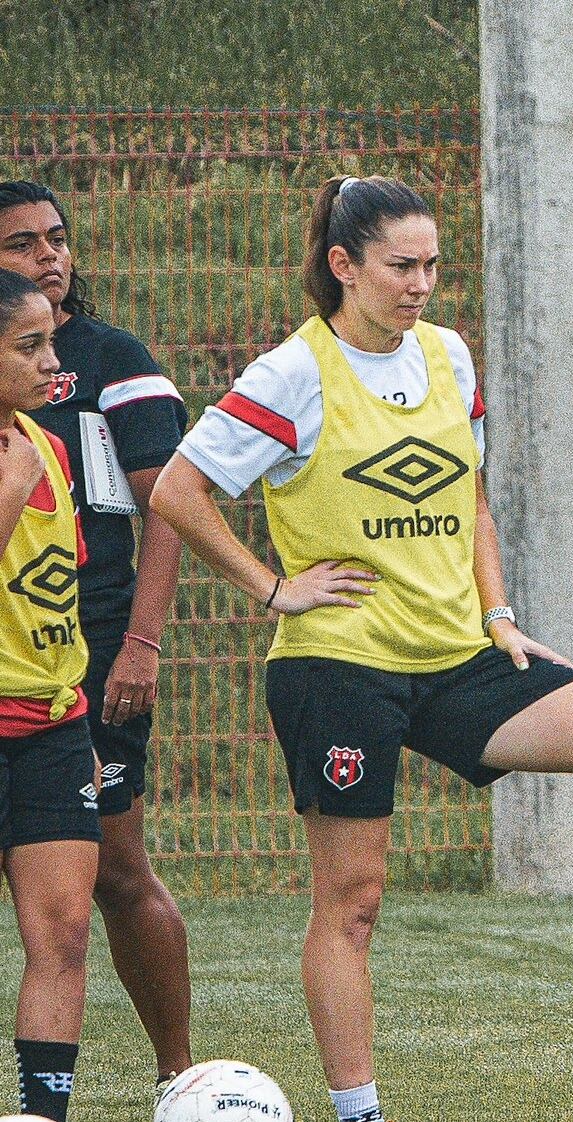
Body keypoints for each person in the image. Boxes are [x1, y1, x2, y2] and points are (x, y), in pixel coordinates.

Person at [149, 174, 573, 1122]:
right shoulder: (291, 374)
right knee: (355, 901)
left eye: (431, 263)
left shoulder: (448, 357)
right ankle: (360, 1111)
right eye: (401, 265)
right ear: (343, 266)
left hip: (459, 655)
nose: (422, 282)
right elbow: (177, 492)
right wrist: (273, 587)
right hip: (338, 666)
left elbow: (467, 496)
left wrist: (497, 612)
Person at [0, 179, 195, 1093]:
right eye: (23, 244)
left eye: (58, 238)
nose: (50, 256)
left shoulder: (112, 359)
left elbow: (167, 507)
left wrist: (140, 642)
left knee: (110, 879)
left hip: (76, 670)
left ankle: (179, 1077)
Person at [0, 268, 99, 1122]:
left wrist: (77, 708)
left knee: (63, 933)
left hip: (53, 727)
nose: (51, 361)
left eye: (52, 341)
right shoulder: (20, 462)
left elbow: (56, 592)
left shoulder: (49, 444)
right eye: (28, 346)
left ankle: (43, 1113)